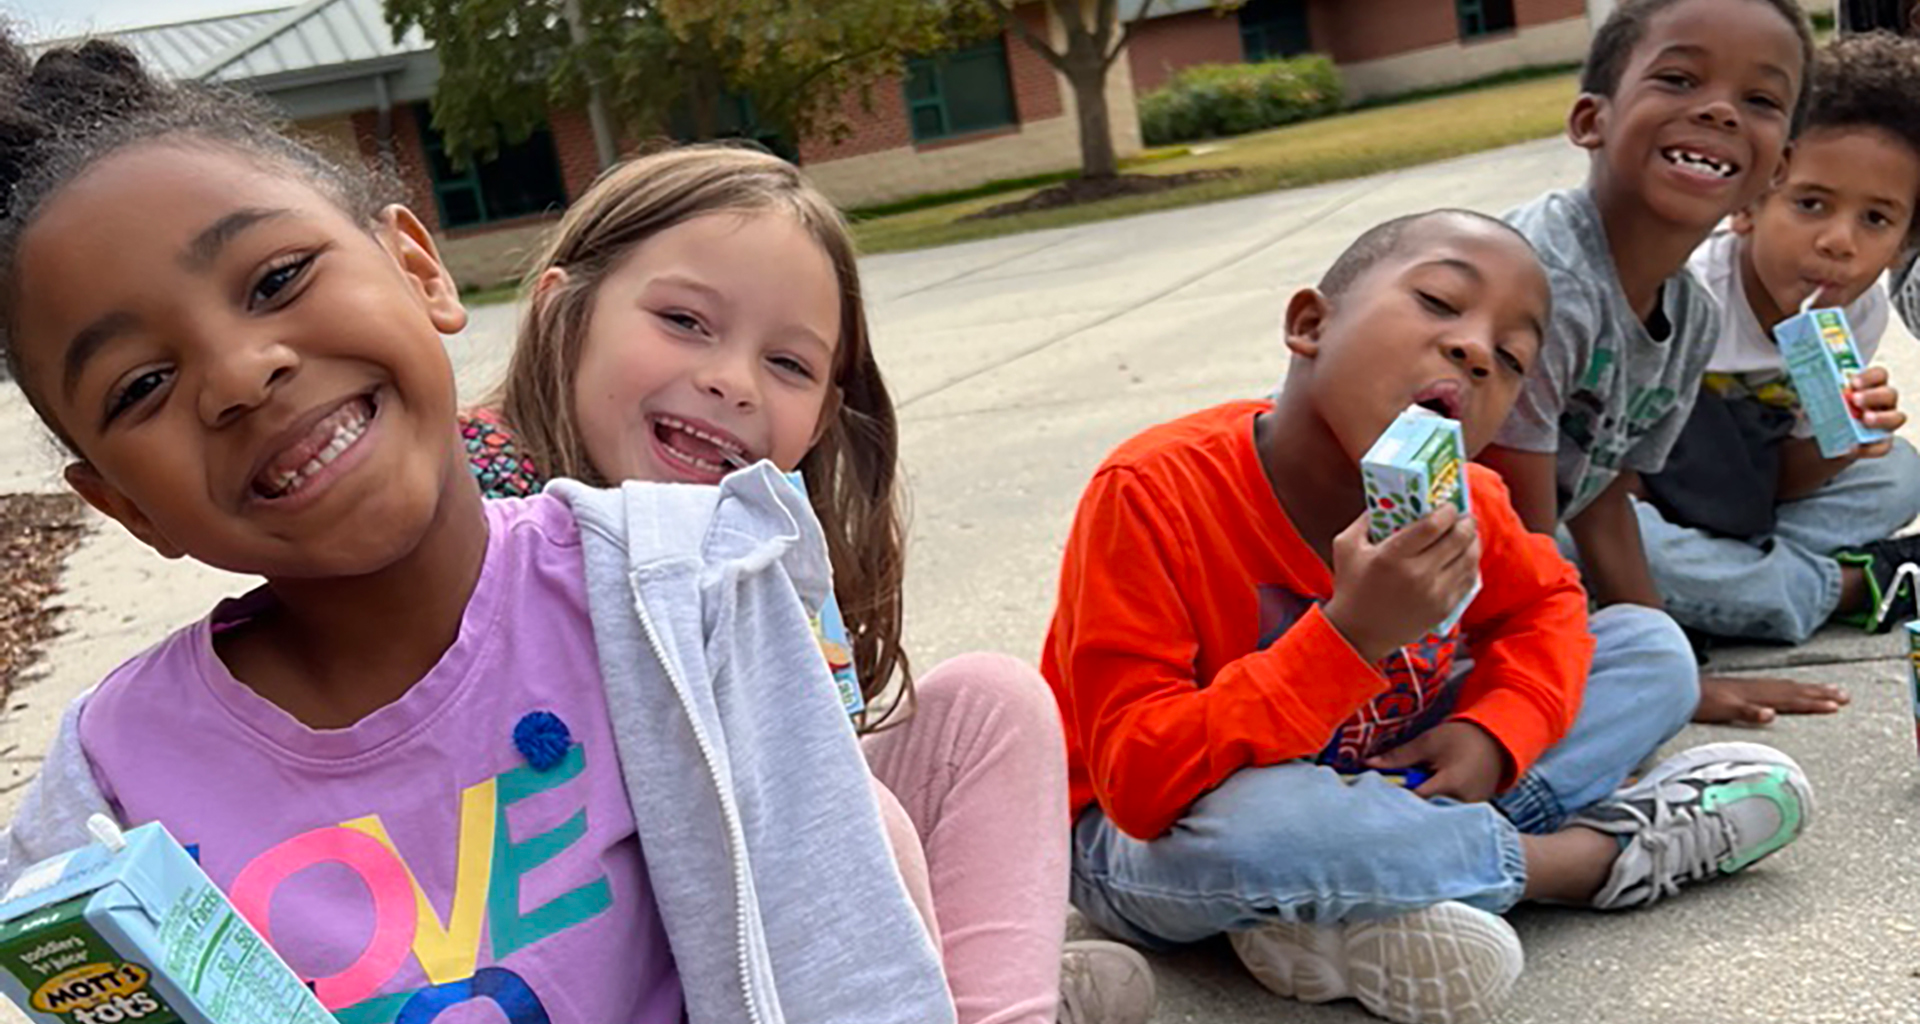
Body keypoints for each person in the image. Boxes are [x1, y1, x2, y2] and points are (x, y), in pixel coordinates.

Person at [0, 37, 952, 1024]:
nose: (241, 375)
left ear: (418, 268)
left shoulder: (687, 593)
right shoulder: (110, 782)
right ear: (121, 503)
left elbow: (852, 983)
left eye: (277, 279)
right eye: (142, 384)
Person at [1043, 208, 1813, 1024]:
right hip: (1163, 833)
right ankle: (1577, 862)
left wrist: (1495, 733)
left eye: (1513, 359)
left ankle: (1353, 902)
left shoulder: (1469, 500)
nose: (1477, 350)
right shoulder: (1154, 492)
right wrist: (1350, 636)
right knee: (1259, 834)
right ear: (1310, 324)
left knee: (1649, 647)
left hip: (1394, 775)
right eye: (1441, 303)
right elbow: (1137, 782)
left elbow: (1549, 608)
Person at [470, 144, 1155, 1024]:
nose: (733, 380)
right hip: (585, 919)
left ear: (824, 414)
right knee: (863, 822)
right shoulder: (479, 512)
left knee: (993, 701)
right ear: (562, 311)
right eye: (684, 320)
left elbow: (820, 736)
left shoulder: (761, 529)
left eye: (789, 365)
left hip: (763, 914)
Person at [1476, 0, 1828, 724]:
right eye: (1677, 80)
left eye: (1760, 100)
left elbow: (1603, 495)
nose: (1720, 112)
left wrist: (1667, 663)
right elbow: (1523, 535)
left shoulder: (1691, 316)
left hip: (1504, 561)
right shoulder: (1544, 279)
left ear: (1779, 165)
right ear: (1590, 122)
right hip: (1354, 556)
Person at [1637, 32, 1920, 646]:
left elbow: (1783, 483)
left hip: (1747, 505)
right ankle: (1842, 588)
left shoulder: (1857, 313)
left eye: (1875, 219)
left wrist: (1842, 443)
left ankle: (1722, 591)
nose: (1840, 242)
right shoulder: (1685, 296)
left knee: (1898, 472)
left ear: (1902, 246)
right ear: (1749, 204)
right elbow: (1609, 473)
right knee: (1578, 537)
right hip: (1650, 498)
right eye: (1812, 204)